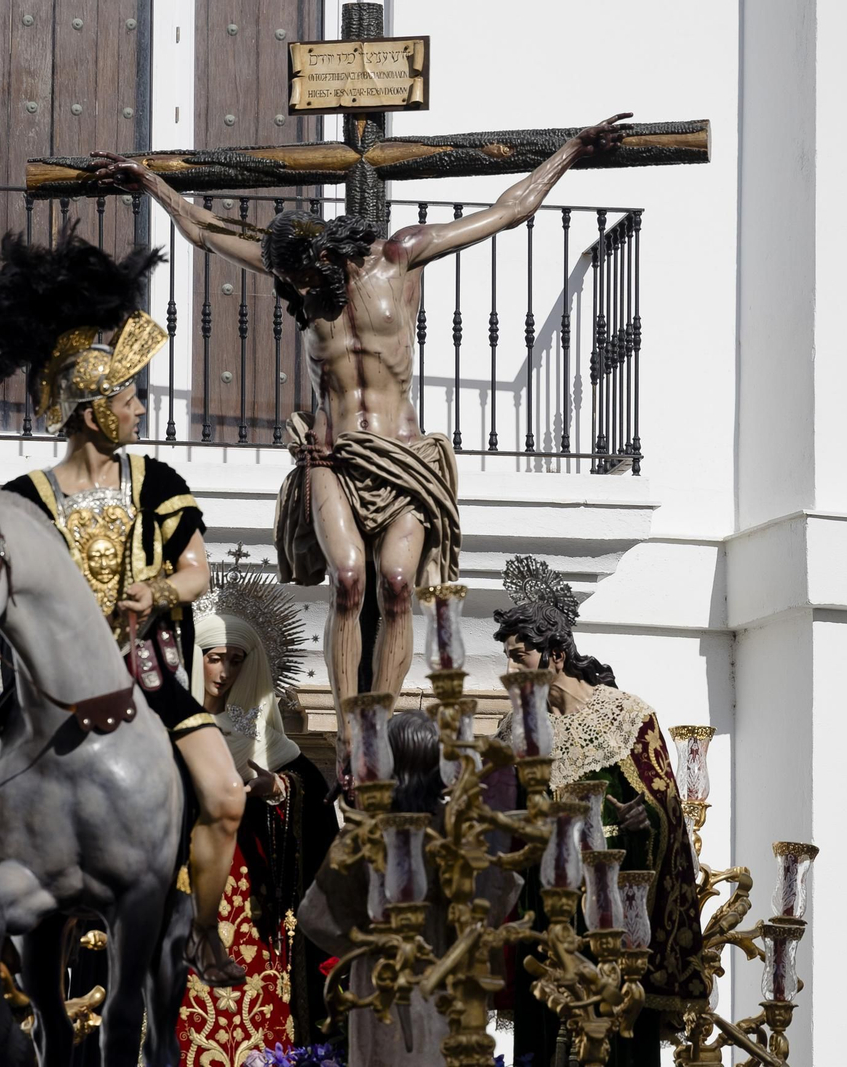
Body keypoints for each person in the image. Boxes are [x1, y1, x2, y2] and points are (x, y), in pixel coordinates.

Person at [93, 115, 631, 780]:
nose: (295, 291)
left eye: (304, 278)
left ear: (332, 253)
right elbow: (205, 231)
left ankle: (380, 714)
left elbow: (507, 211)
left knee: (400, 585)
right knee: (349, 580)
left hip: (402, 459)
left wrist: (571, 151)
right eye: (288, 282)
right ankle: (353, 729)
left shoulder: (402, 256)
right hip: (332, 457)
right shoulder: (296, 271)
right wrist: (151, 182)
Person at [0, 227, 248, 988]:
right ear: (92, 411)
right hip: (47, 686)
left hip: (146, 670)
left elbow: (197, 570)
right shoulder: (26, 500)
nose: (141, 407)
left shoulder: (156, 481)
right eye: (129, 396)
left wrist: (160, 592)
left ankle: (206, 931)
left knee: (223, 793)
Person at [493, 556, 704, 1065]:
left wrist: (638, 821)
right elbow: (504, 825)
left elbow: (667, 814)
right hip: (546, 916)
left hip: (615, 917)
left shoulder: (628, 717)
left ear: (557, 655)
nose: (510, 670)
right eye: (507, 657)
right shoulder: (515, 731)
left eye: (519, 656)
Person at [298, 710, 526, 1067]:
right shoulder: (463, 835)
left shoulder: (366, 837)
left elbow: (315, 918)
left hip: (382, 993)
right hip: (451, 992)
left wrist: (368, 944)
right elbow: (500, 899)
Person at [183, 563, 338, 1052]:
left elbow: (315, 816)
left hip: (254, 898)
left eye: (236, 660)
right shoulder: (166, 734)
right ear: (195, 660)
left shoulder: (273, 746)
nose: (224, 672)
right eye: (214, 658)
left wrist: (276, 789)